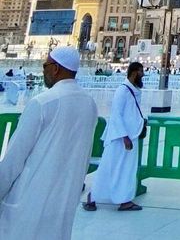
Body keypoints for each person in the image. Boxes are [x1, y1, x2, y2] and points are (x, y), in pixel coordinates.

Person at [0, 46, 97, 240]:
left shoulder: (42, 103)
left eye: (45, 65)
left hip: (28, 200)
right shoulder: (89, 103)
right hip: (63, 200)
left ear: (56, 69)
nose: (43, 70)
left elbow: (15, 157)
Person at [84, 61, 146, 212]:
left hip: (131, 136)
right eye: (141, 71)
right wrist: (124, 136)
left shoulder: (133, 90)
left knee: (126, 170)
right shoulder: (122, 91)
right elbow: (116, 115)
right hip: (120, 138)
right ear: (135, 72)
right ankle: (92, 198)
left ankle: (124, 200)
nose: (143, 74)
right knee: (109, 167)